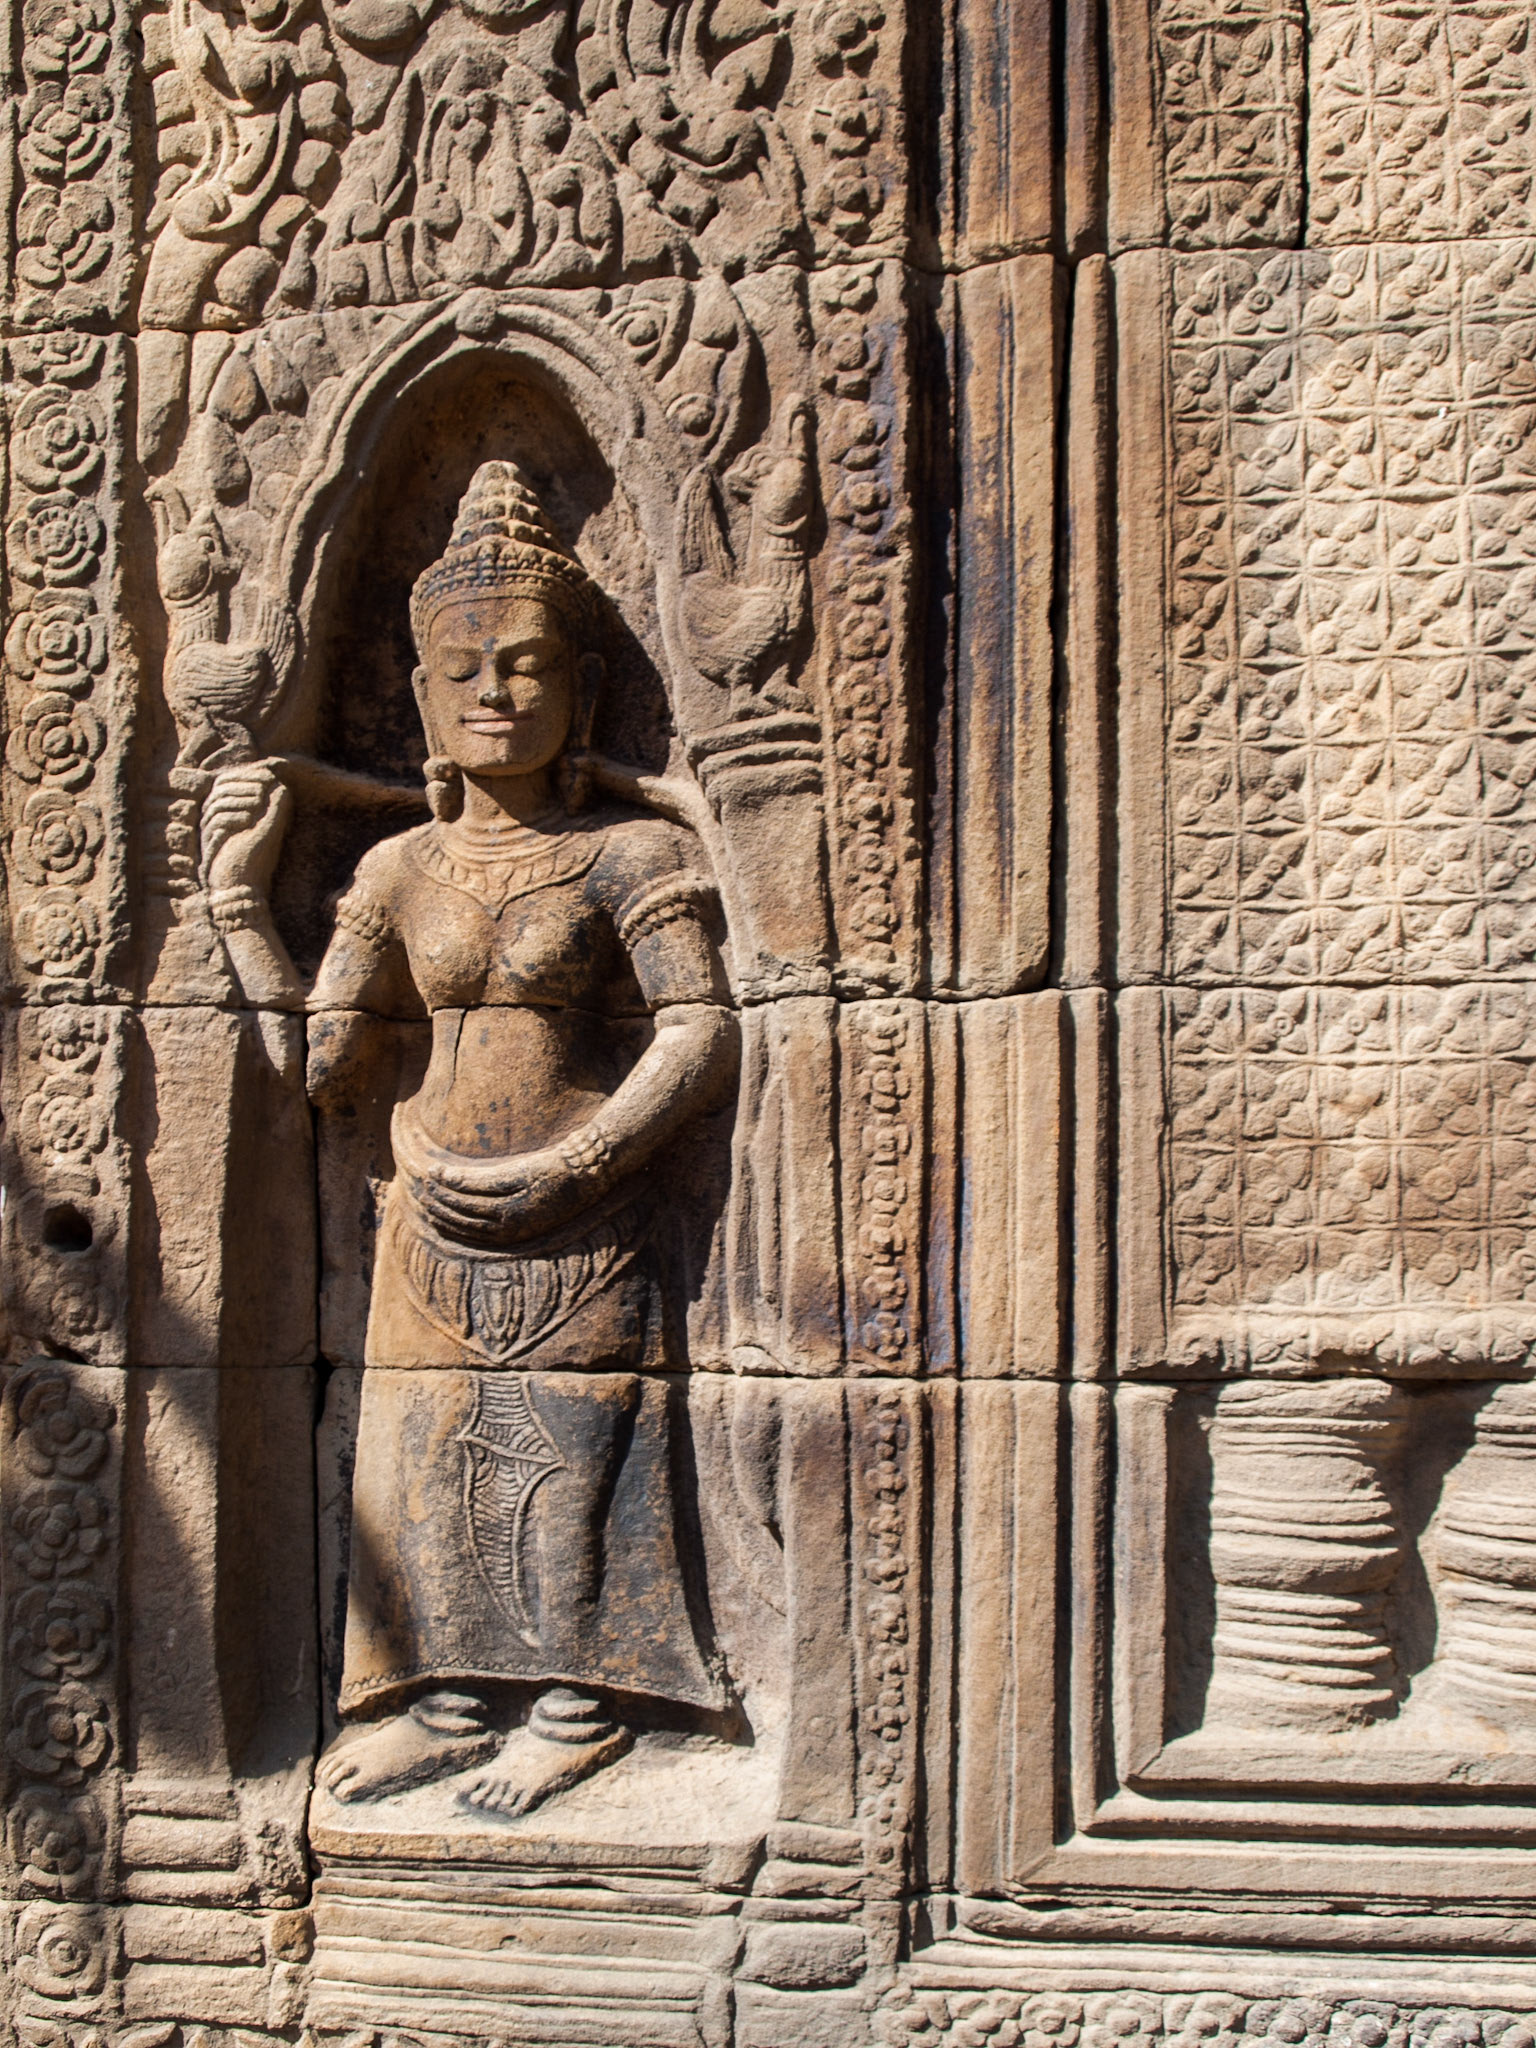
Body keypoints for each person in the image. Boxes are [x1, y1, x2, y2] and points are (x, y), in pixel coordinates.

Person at [304, 460, 738, 1816]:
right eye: (466, 669)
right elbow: (323, 1054)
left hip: (586, 1204)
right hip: (429, 1195)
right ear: (426, 699)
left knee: (574, 1448)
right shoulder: (395, 872)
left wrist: (591, 1157)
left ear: (583, 692)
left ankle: (571, 1704)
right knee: (429, 1455)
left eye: (529, 665)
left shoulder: (626, 857)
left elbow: (699, 1028)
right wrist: (239, 903)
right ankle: (440, 1701)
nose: (497, 691)